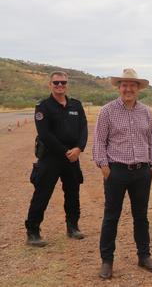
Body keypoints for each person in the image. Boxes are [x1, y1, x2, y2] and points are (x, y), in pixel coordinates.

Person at [92, 68, 152, 279]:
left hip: (142, 172)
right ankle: (107, 261)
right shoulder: (107, 111)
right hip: (116, 171)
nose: (128, 88)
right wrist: (104, 167)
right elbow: (99, 141)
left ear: (138, 88)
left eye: (132, 85)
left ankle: (144, 256)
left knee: (141, 217)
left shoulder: (147, 112)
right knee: (111, 216)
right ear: (119, 87)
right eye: (124, 85)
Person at [25, 71, 88, 247]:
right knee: (42, 194)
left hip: (72, 158)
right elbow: (44, 134)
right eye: (56, 83)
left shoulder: (76, 105)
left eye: (63, 82)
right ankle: (33, 232)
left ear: (67, 84)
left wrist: (79, 148)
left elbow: (83, 128)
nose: (60, 85)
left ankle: (73, 227)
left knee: (73, 193)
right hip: (51, 158)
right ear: (50, 85)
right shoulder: (43, 106)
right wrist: (66, 151)